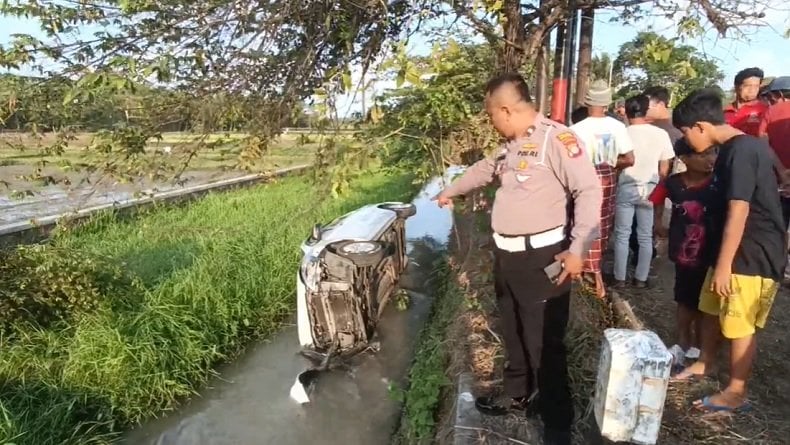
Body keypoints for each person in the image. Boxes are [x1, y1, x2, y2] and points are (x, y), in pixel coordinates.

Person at [434, 73, 602, 445]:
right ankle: (518, 394)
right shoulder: (511, 144)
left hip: (542, 257)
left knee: (545, 341)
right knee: (512, 327)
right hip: (507, 256)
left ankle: (557, 423)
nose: (491, 121)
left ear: (506, 109)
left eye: (491, 114)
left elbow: (588, 190)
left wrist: (577, 249)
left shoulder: (557, 139)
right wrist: (451, 189)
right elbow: (483, 171)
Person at [671, 88, 786, 414]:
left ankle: (736, 391)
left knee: (739, 322)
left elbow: (739, 210)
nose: (687, 140)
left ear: (701, 127)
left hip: (752, 251)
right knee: (710, 307)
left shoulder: (742, 151)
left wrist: (724, 267)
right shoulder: (727, 150)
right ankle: (705, 362)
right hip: (728, 246)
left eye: (685, 133)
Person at [649, 139, 718, 366]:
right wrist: (658, 222)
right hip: (683, 253)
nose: (710, 159)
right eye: (702, 155)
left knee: (704, 303)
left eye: (713, 153)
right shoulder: (674, 183)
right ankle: (682, 341)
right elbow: (657, 198)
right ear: (684, 159)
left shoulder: (718, 184)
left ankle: (700, 344)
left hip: (711, 254)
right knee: (684, 299)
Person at [570, 79, 635, 297]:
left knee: (581, 222)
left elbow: (568, 162)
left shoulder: (575, 129)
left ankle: (584, 272)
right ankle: (595, 274)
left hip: (582, 179)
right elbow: (629, 159)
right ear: (607, 103)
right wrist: (608, 163)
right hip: (608, 179)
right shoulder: (617, 127)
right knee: (602, 226)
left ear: (587, 102)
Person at [611, 95, 675, 289]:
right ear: (646, 110)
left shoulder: (621, 133)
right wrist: (658, 184)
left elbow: (614, 163)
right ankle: (641, 278)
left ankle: (619, 278)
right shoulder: (660, 134)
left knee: (622, 234)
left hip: (626, 187)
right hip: (650, 188)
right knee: (645, 235)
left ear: (626, 111)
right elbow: (665, 167)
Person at [758, 76, 790, 228]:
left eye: (771, 97)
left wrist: (783, 173)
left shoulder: (771, 111)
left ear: (780, 95)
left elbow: (763, 143)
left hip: (778, 183)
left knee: (777, 230)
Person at [723, 67, 768, 137]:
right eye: (748, 86)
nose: (752, 90)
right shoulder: (725, 111)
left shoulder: (765, 110)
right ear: (737, 87)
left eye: (756, 86)